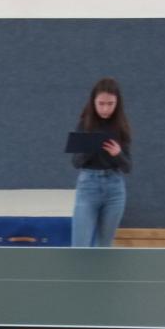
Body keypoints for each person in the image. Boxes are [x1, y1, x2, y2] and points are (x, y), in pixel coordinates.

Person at [70, 77, 132, 247]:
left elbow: (128, 167)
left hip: (115, 189)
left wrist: (118, 154)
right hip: (88, 187)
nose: (105, 108)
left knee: (104, 246)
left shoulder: (121, 127)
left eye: (110, 104)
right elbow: (75, 162)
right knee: (80, 246)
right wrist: (90, 148)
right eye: (101, 103)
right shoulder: (84, 125)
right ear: (93, 102)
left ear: (117, 103)